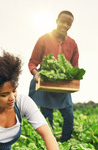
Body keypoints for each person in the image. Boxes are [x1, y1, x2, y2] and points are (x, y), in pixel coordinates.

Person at [28, 10, 79, 142]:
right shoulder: (44, 39)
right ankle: (49, 144)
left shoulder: (72, 44)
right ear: (57, 21)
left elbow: (75, 67)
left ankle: (64, 143)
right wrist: (36, 74)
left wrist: (74, 77)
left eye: (69, 23)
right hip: (46, 82)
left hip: (62, 85)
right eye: (63, 21)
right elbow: (32, 62)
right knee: (46, 116)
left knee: (69, 117)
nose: (65, 25)